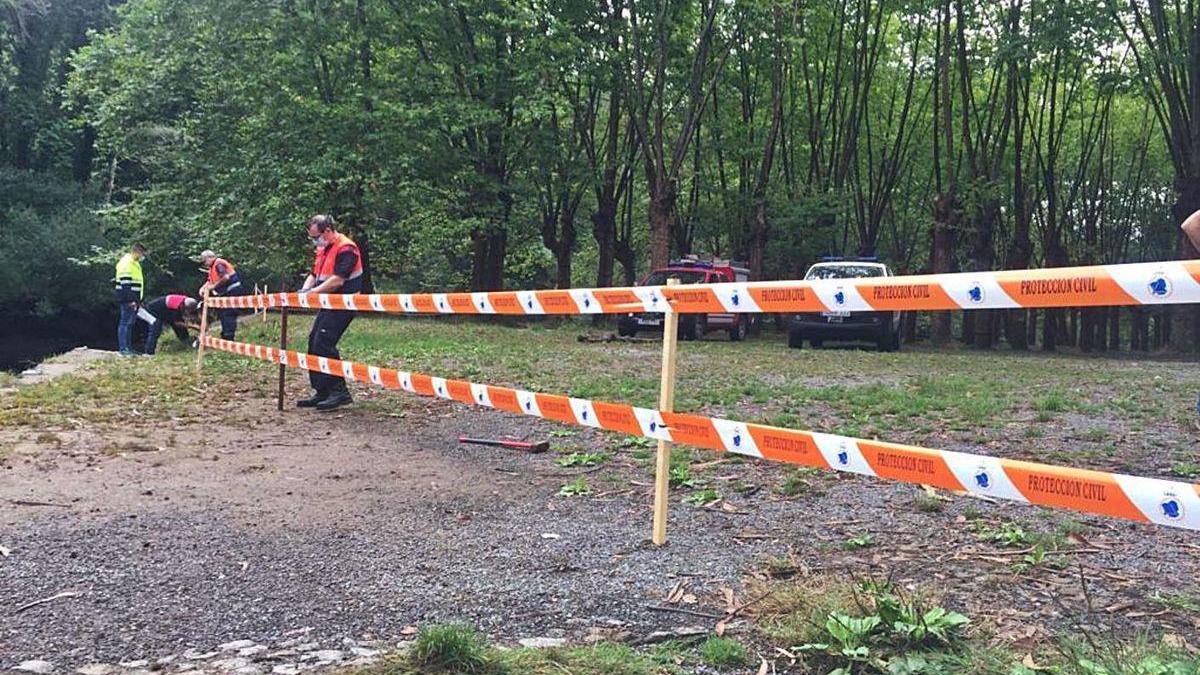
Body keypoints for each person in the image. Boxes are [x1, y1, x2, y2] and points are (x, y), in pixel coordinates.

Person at [297, 214, 364, 411]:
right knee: (314, 342)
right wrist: (304, 290)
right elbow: (314, 274)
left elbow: (338, 280)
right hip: (328, 303)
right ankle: (322, 391)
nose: (314, 240)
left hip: (344, 303)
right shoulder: (323, 248)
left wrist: (312, 293)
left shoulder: (346, 248)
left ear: (327, 230)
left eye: (315, 236)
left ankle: (339, 392)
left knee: (324, 343)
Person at [198, 250, 247, 340]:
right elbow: (210, 281)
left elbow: (225, 277)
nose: (204, 264)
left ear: (210, 257)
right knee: (223, 313)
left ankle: (228, 337)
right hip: (226, 293)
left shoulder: (218, 264)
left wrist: (213, 287)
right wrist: (203, 288)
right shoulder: (212, 268)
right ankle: (225, 335)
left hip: (232, 290)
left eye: (204, 261)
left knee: (228, 313)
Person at [114, 244, 147, 357]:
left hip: (135, 298)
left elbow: (137, 283)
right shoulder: (126, 263)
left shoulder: (135, 263)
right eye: (142, 253)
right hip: (127, 299)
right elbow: (125, 283)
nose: (142, 256)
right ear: (137, 251)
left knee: (130, 324)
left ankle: (128, 348)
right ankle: (123, 349)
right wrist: (130, 300)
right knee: (124, 323)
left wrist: (139, 300)